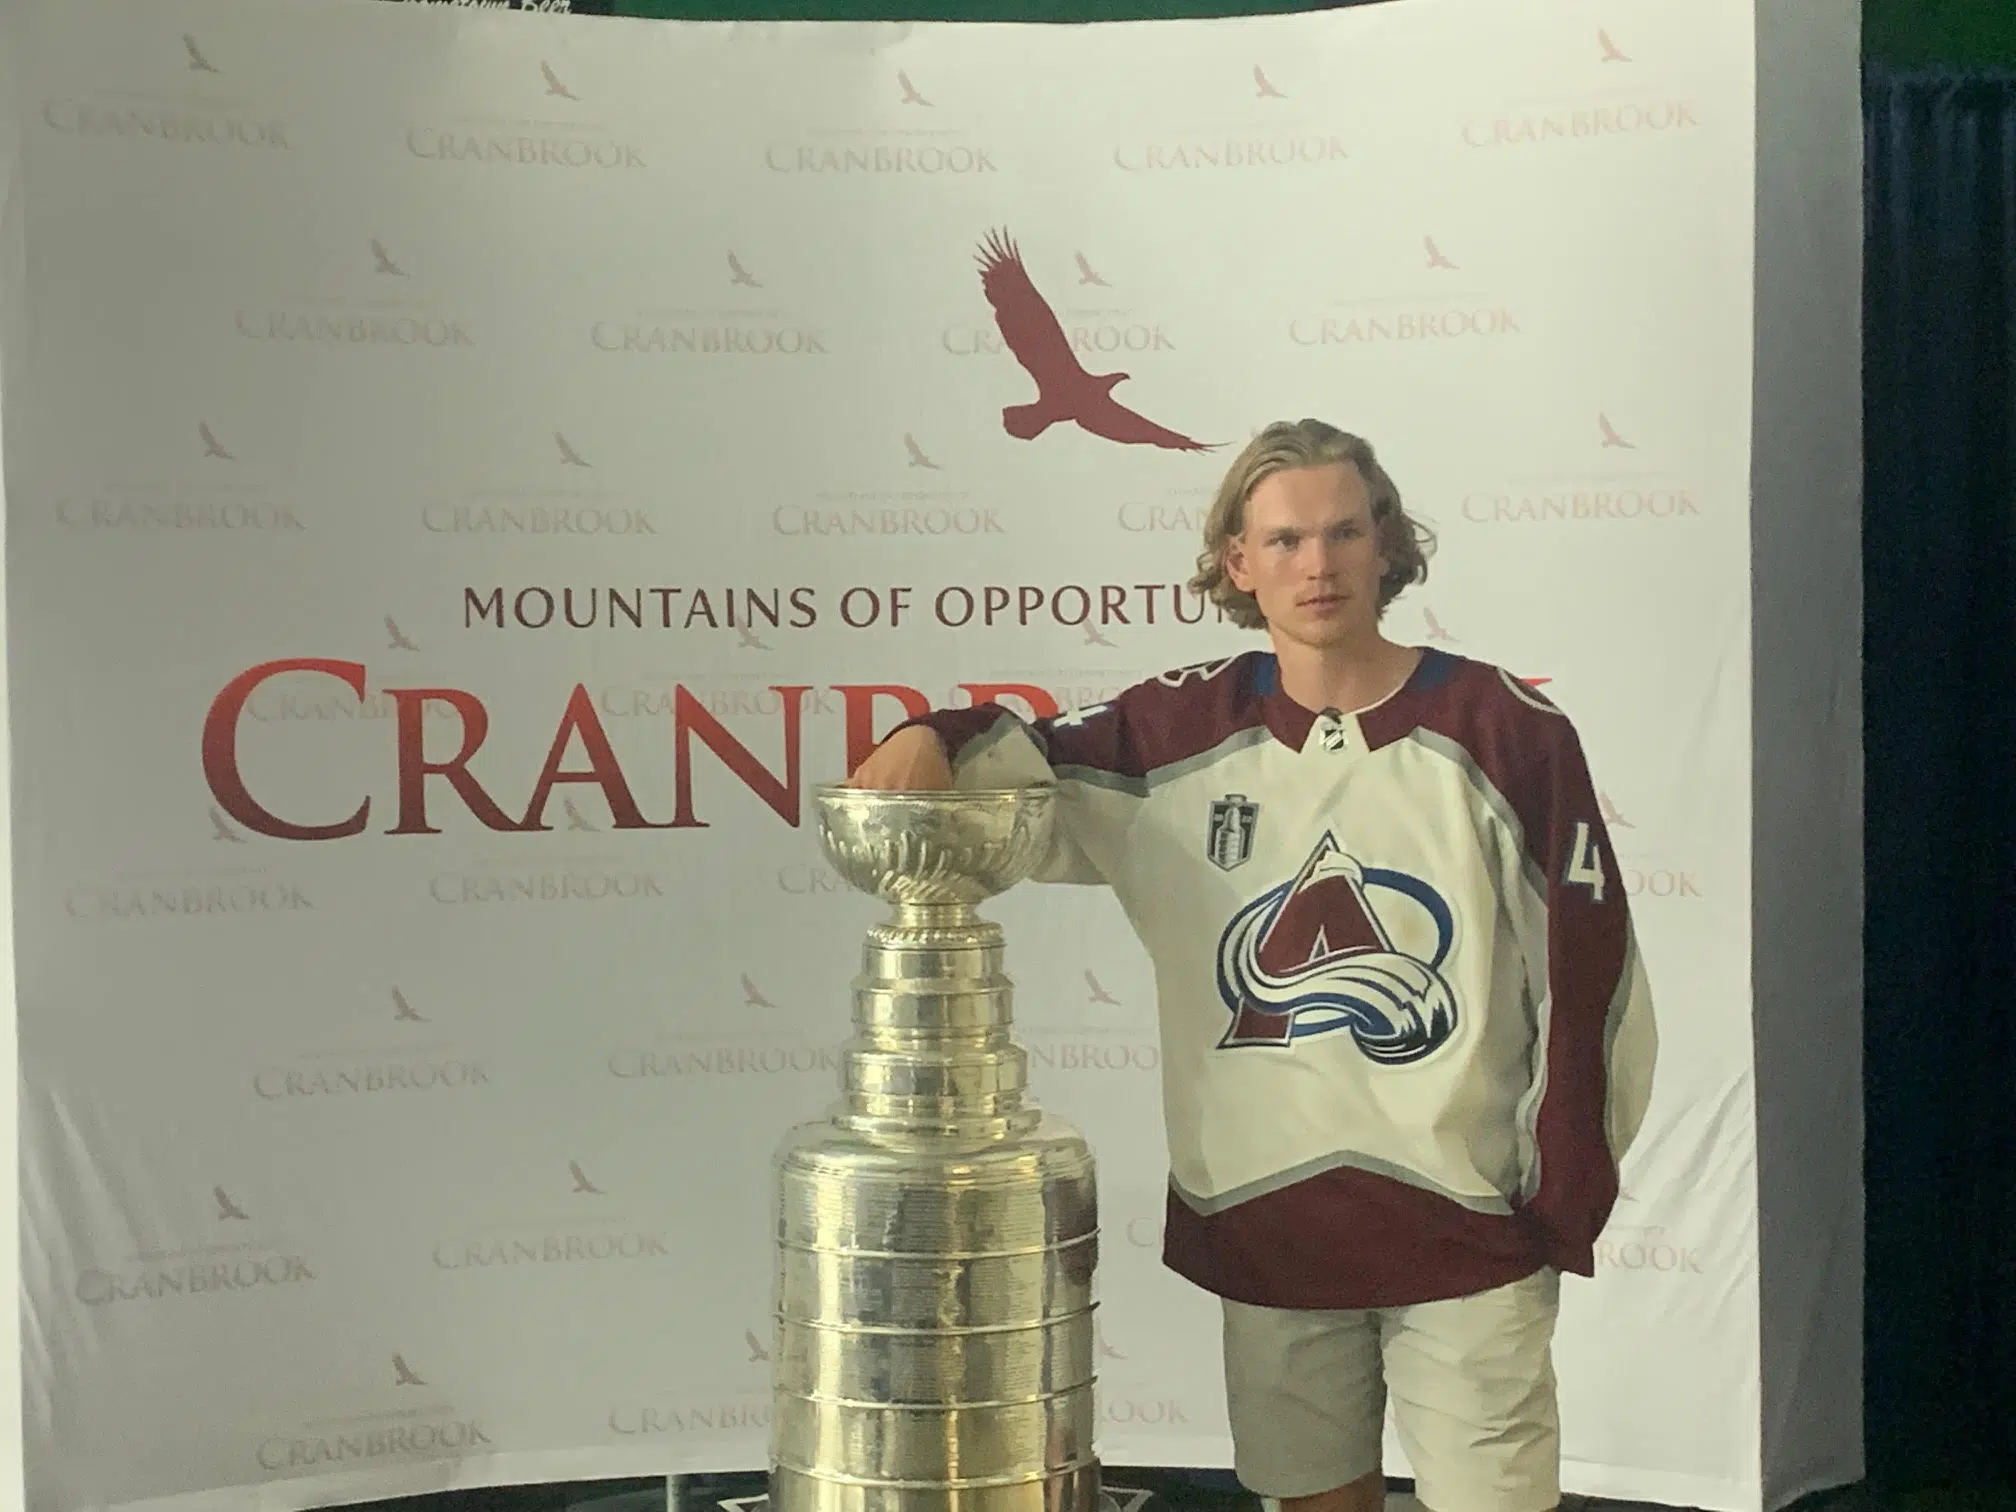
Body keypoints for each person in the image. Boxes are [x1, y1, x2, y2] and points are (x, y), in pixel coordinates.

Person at [845, 418, 1657, 1512]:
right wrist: (934, 732)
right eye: (1282, 541)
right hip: (1272, 1221)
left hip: (1466, 1216)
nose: (1315, 565)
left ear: (1386, 544)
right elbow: (1017, 776)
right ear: (1238, 562)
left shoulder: (1503, 730)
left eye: (1341, 532)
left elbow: (1591, 976)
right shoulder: (1173, 729)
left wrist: (1559, 1193)